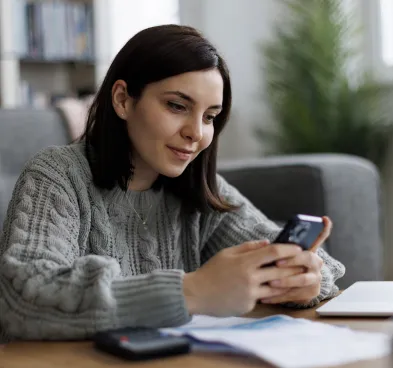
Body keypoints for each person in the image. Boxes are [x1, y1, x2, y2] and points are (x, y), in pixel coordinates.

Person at [0, 25, 345, 341]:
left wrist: (306, 279)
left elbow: (316, 264)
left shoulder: (201, 191)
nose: (196, 132)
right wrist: (192, 291)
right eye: (177, 106)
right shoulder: (56, 175)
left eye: (210, 117)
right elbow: (23, 298)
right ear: (122, 99)